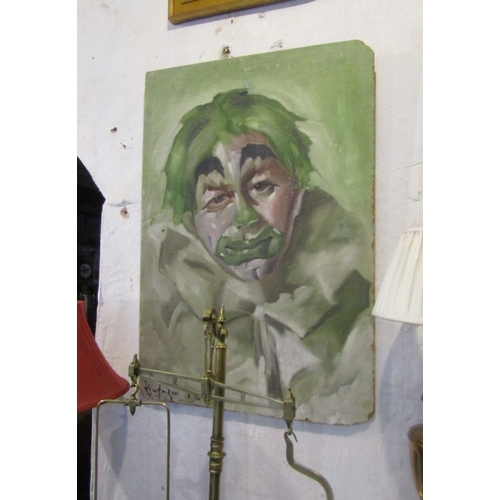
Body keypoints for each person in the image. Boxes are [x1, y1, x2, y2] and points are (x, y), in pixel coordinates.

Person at [140, 89, 374, 424]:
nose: (245, 219)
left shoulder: (354, 309)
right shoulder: (171, 318)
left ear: (297, 193)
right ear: (192, 223)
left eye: (262, 186)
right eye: (217, 199)